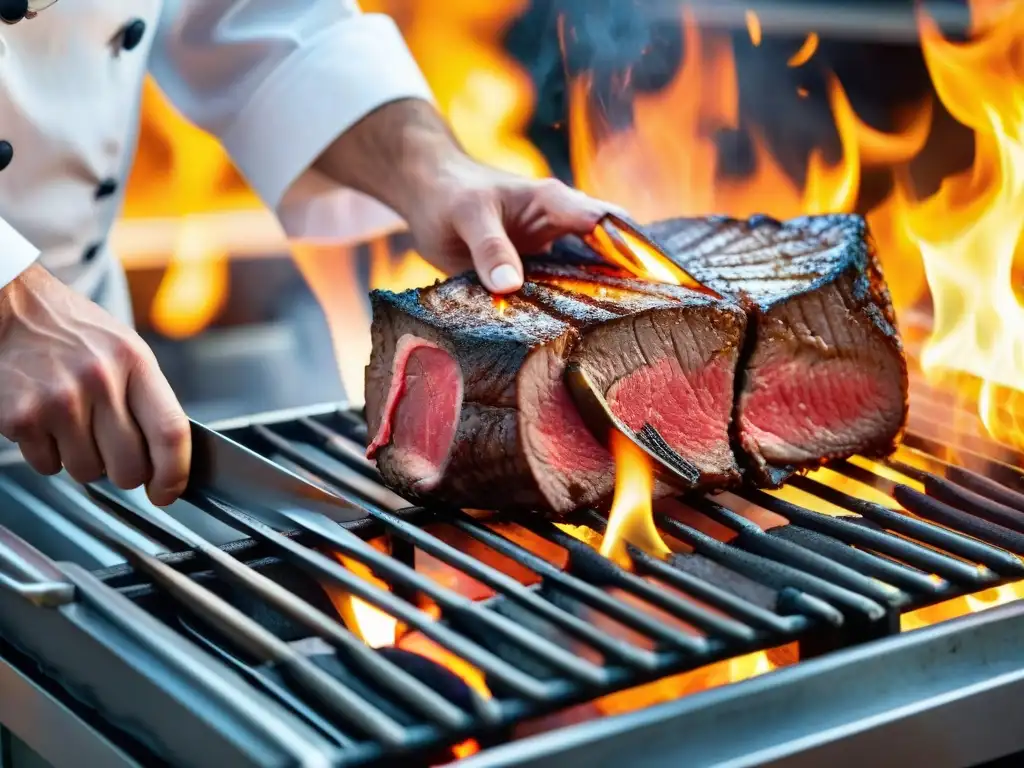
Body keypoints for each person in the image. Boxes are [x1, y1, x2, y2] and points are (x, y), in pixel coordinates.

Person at [0, 1, 615, 506]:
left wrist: (431, 168)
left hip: (87, 391)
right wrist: (10, 305)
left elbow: (248, 15)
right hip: (40, 331)